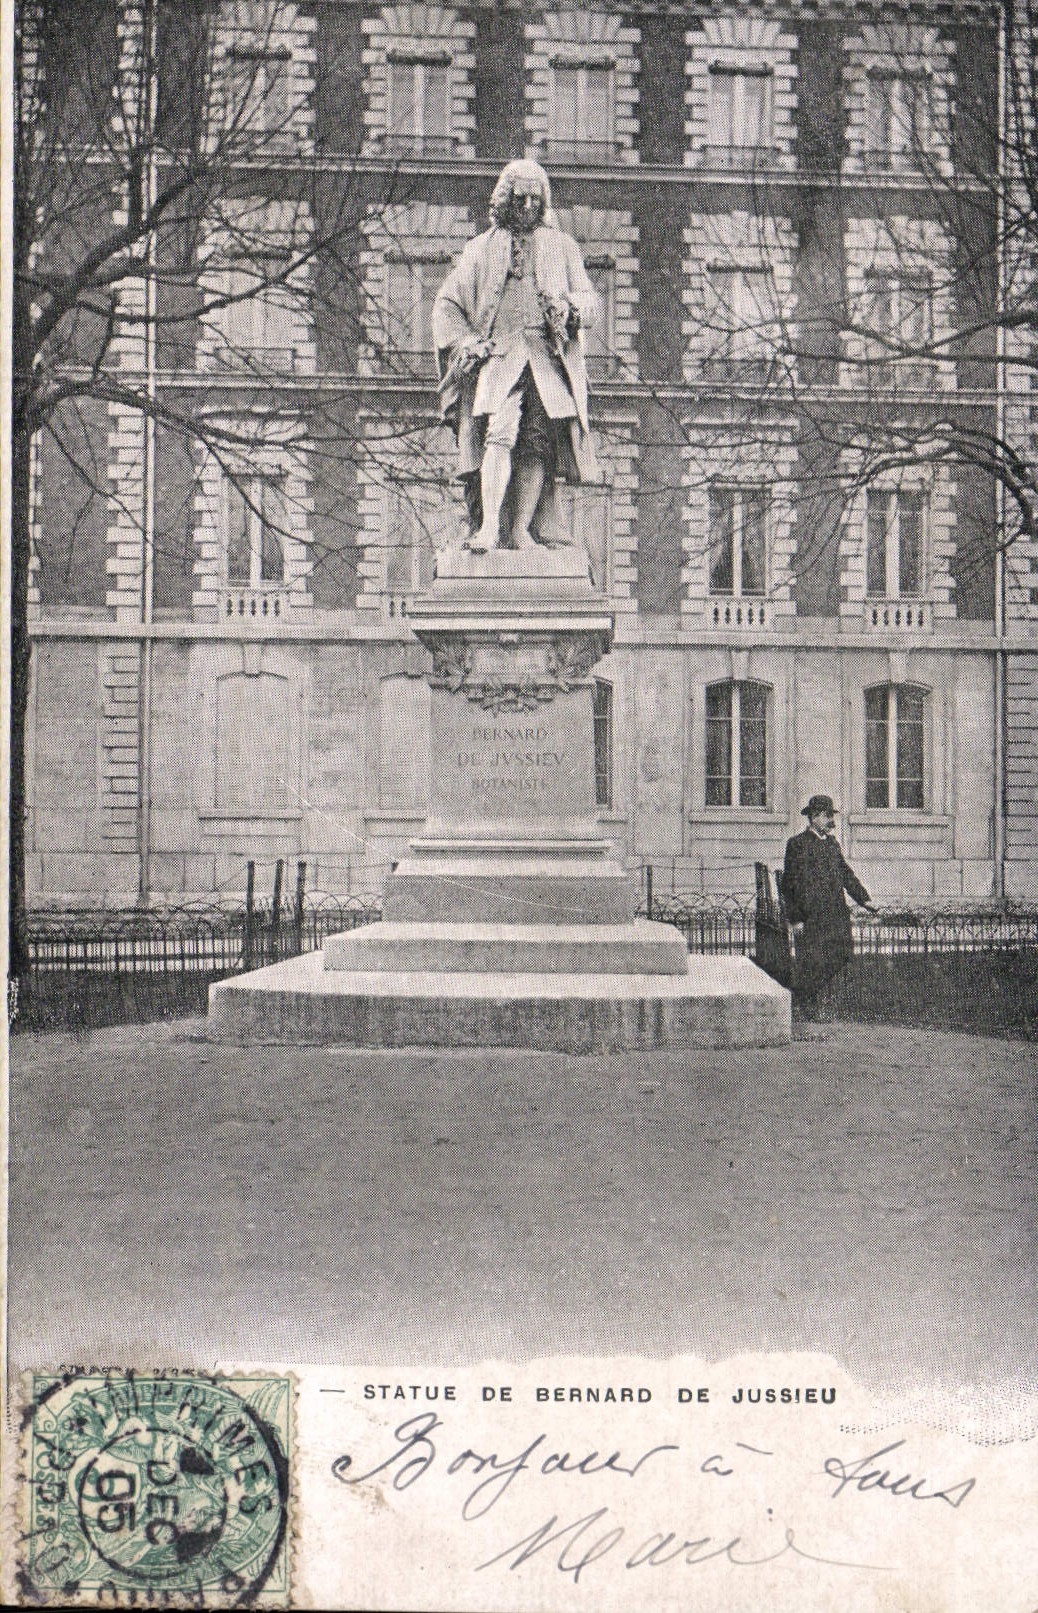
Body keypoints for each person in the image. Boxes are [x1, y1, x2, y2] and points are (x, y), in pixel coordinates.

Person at [431, 158, 600, 554]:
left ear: (543, 203)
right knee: (499, 434)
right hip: (500, 356)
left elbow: (591, 299)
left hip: (544, 358)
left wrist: (571, 307)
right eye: (519, 197)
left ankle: (522, 530)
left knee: (536, 443)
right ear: (504, 199)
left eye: (534, 199)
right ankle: (490, 527)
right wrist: (464, 342)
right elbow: (446, 304)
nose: (526, 206)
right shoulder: (479, 249)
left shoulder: (562, 246)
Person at [781, 794, 878, 1017]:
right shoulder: (797, 845)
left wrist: (864, 899)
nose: (829, 821)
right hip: (811, 915)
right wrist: (795, 918)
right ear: (814, 818)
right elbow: (789, 884)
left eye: (829, 816)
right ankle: (809, 1004)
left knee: (842, 954)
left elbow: (845, 873)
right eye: (825, 816)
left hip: (835, 912)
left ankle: (808, 996)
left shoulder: (832, 844)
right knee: (814, 959)